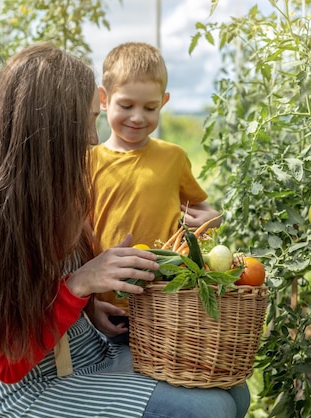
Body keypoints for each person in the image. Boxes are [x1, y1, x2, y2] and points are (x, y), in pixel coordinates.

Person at [0, 42, 249, 418]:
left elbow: (52, 289)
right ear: (47, 132)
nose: (93, 139)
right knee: (206, 409)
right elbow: (9, 365)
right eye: (86, 122)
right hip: (34, 390)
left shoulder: (60, 195)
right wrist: (79, 285)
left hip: (87, 352)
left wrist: (90, 308)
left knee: (232, 392)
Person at [91, 42, 221, 342]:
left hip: (168, 302)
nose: (138, 117)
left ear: (163, 102)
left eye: (149, 108)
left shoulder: (173, 158)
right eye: (126, 106)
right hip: (109, 308)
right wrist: (89, 304)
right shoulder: (90, 162)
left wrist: (212, 220)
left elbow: (203, 213)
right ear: (103, 99)